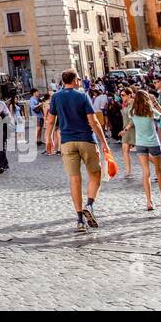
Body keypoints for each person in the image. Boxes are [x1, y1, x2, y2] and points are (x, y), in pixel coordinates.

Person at [44, 70, 110, 232]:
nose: (80, 81)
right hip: (86, 139)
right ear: (74, 81)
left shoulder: (56, 97)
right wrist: (104, 142)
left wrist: (49, 139)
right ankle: (89, 205)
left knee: (75, 179)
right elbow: (94, 122)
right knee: (95, 174)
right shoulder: (82, 96)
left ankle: (80, 220)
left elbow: (51, 121)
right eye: (78, 79)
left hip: (67, 142)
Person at [127, 90, 161, 211]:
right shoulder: (150, 111)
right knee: (159, 171)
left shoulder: (132, 111)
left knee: (146, 172)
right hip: (153, 143)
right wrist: (155, 103)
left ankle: (149, 202)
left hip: (140, 143)